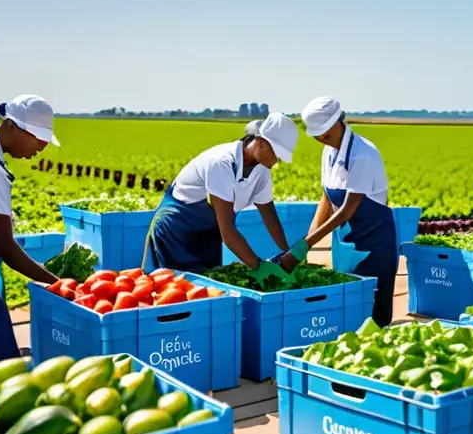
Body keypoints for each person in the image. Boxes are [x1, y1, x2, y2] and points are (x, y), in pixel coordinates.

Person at [144, 113, 298, 280]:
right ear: (261, 142)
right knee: (176, 289)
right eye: (276, 154)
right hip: (176, 229)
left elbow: (269, 216)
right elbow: (228, 230)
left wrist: (288, 255)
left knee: (207, 289)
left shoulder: (261, 171)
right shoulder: (221, 163)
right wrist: (259, 266)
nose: (278, 161)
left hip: (208, 233)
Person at [290, 97, 397, 327]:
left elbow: (348, 209)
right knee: (347, 313)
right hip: (345, 243)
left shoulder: (362, 154)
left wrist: (306, 245)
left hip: (373, 245)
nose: (322, 140)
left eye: (326, 134)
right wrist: (304, 245)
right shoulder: (329, 153)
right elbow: (326, 200)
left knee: (373, 317)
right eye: (318, 136)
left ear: (340, 121)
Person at [0, 96, 61, 366]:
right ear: (9, 126)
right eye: (36, 138)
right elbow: (7, 248)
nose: (41, 148)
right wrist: (57, 282)